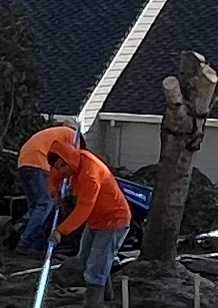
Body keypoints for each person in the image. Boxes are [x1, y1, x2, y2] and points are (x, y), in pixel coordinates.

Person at [16, 124, 137, 291]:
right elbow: (54, 176)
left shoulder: (90, 174)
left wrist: (60, 231)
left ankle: (93, 304)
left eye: (62, 166)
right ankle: (106, 295)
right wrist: (55, 193)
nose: (61, 171)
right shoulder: (66, 163)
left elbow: (83, 209)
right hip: (95, 221)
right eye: (58, 167)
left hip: (113, 221)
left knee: (95, 268)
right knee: (85, 259)